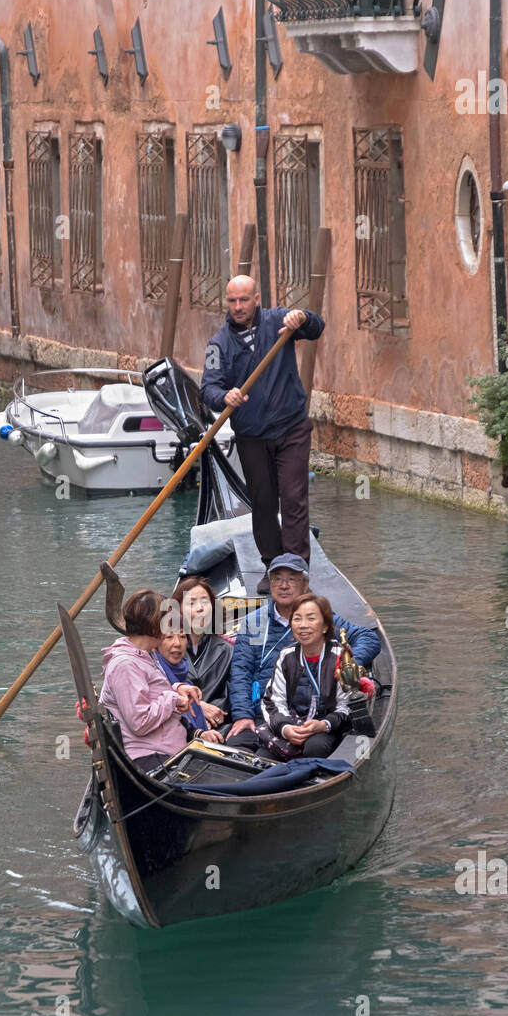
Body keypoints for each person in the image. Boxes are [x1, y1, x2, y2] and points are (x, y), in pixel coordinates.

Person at [201, 274, 324, 595]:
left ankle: (295, 570)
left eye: (244, 300)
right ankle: (273, 566)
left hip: (291, 427)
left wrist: (303, 318)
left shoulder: (278, 321)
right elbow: (208, 389)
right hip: (252, 435)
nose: (238, 307)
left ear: (257, 298)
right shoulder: (219, 344)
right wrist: (224, 396)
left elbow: (316, 328)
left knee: (294, 498)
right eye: (232, 301)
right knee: (264, 503)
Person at [226, 553, 381, 750]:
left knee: (316, 747)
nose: (284, 585)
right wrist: (242, 715)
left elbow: (368, 638)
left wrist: (347, 666)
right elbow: (241, 672)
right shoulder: (254, 623)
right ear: (270, 583)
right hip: (266, 712)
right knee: (236, 744)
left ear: (304, 585)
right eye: (277, 579)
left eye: (291, 579)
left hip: (315, 714)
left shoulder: (321, 619)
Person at [99, 589, 203, 772]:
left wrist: (178, 688)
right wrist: (174, 699)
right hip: (150, 757)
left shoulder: (146, 655)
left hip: (169, 750)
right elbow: (140, 721)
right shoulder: (125, 665)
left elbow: (150, 690)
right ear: (155, 625)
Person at [260, 594, 351, 760]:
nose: (303, 626)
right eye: (297, 619)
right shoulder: (286, 656)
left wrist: (324, 724)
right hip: (295, 723)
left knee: (315, 747)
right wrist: (285, 727)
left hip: (328, 726)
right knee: (261, 756)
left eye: (311, 619)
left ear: (325, 626)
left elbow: (346, 704)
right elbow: (273, 700)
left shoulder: (340, 656)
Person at [172, 575, 233, 730]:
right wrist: (199, 710)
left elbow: (233, 692)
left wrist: (212, 715)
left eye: (205, 602)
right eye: (191, 603)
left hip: (220, 722)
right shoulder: (165, 650)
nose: (200, 608)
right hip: (179, 723)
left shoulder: (227, 649)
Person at [156, 627, 225, 745]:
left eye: (182, 636)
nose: (177, 643)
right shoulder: (154, 674)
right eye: (169, 637)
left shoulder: (183, 672)